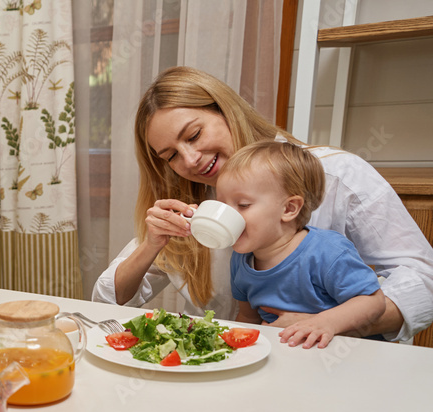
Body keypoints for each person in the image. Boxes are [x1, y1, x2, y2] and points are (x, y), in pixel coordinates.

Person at [92, 66, 433, 342]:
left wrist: (332, 323)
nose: (191, 160)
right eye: (171, 156)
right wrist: (150, 245)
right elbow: (107, 300)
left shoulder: (336, 174)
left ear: (227, 111)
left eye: (194, 135)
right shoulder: (189, 205)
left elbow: (424, 280)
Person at [218, 140, 384, 349]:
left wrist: (325, 322)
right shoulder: (241, 260)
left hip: (341, 356)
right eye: (222, 205)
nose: (227, 215)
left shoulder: (327, 251)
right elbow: (248, 318)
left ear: (289, 209)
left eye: (242, 205)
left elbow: (373, 301)